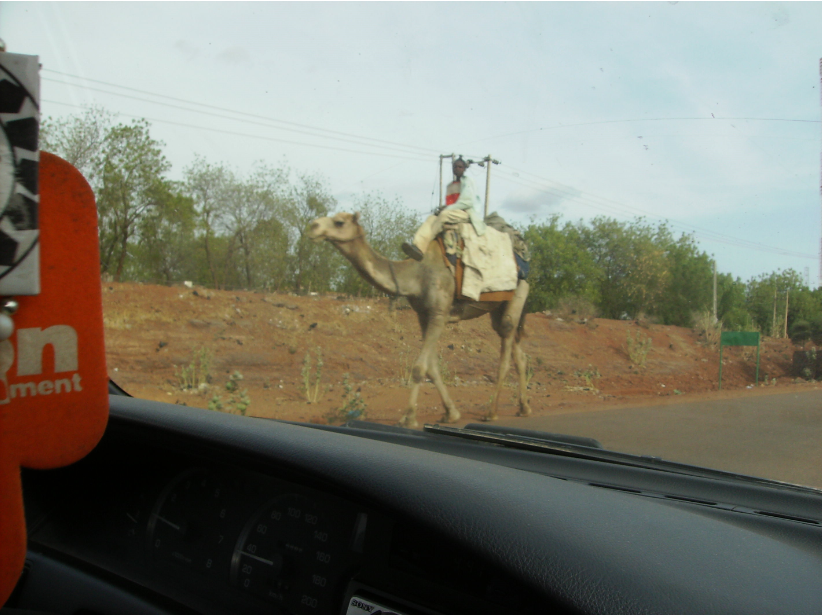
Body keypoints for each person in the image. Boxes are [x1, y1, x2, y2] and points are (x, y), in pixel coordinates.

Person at [402, 157, 486, 261]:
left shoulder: (469, 182)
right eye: (455, 167)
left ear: (464, 169)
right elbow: (450, 203)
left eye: (460, 167)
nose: (457, 169)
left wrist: (446, 209)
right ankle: (418, 246)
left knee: (443, 215)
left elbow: (467, 202)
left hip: (466, 213)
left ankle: (425, 245)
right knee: (431, 218)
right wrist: (443, 208)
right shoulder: (450, 186)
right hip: (454, 212)